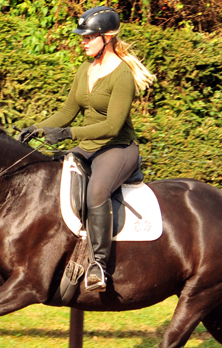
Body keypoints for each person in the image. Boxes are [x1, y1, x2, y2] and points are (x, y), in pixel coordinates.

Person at [18, 5, 155, 292]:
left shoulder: (122, 76)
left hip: (118, 149)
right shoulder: (85, 69)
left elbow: (112, 127)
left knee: (96, 192)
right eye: (82, 36)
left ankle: (98, 266)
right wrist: (39, 128)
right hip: (89, 147)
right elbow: (68, 110)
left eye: (88, 37)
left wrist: (68, 133)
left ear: (107, 37)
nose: (82, 41)